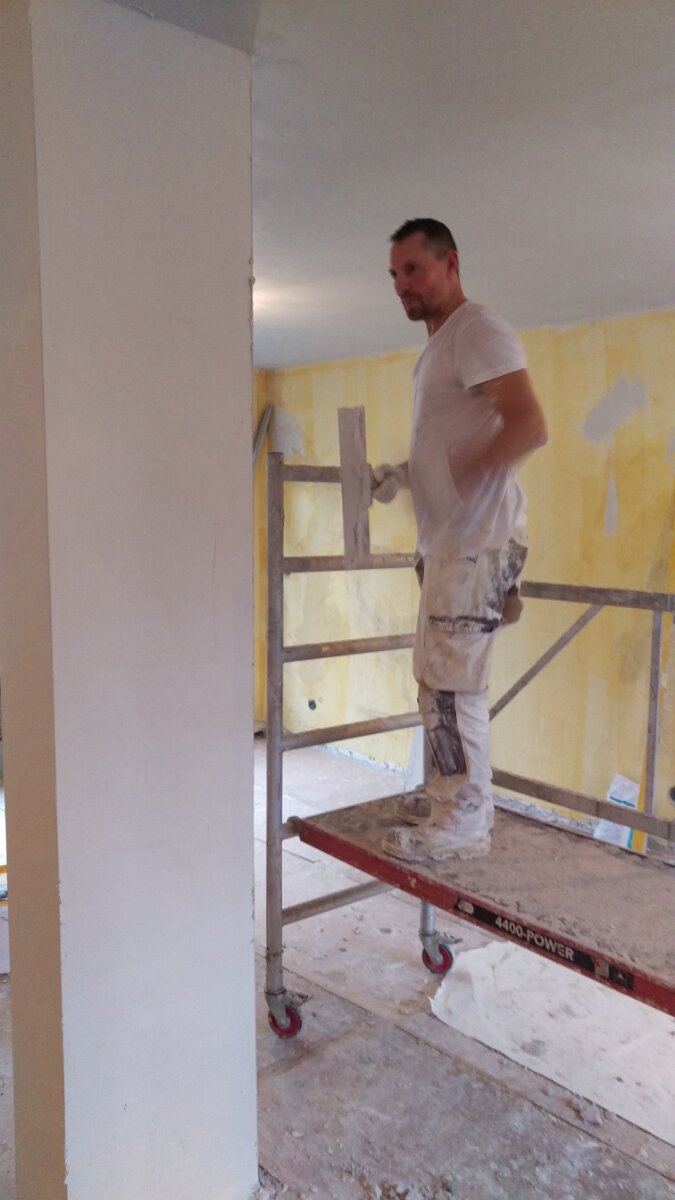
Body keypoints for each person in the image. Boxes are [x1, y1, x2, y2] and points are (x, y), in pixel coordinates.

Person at [372, 218, 547, 862]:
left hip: (475, 545)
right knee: (441, 681)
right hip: (456, 546)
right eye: (395, 274)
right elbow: (453, 440)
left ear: (450, 263)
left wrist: (465, 473)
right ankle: (454, 799)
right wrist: (407, 475)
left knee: (450, 688)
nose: (402, 285)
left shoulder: (475, 329)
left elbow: (528, 425)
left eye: (413, 269)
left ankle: (464, 821)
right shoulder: (442, 347)